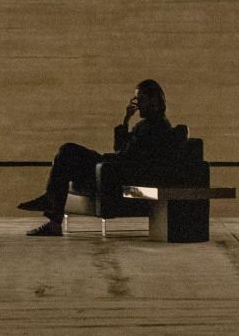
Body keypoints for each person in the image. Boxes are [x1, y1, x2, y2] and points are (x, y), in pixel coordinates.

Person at [18, 79, 175, 237]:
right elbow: (120, 148)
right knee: (66, 158)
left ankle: (51, 207)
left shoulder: (158, 126)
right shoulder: (145, 124)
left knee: (68, 151)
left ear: (153, 100)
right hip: (114, 169)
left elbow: (132, 159)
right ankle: (53, 215)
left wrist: (111, 159)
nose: (137, 104)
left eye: (140, 99)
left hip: (117, 174)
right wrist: (126, 120)